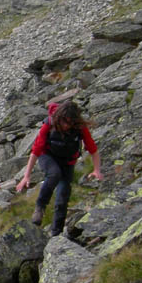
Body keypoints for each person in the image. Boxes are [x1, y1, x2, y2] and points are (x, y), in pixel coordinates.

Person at [16, 100, 103, 236]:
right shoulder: (49, 124)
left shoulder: (80, 128)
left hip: (68, 163)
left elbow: (93, 150)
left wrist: (96, 170)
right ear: (59, 118)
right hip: (48, 157)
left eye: (69, 123)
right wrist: (26, 176)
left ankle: (56, 234)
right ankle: (40, 207)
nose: (66, 126)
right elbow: (36, 151)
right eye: (64, 121)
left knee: (63, 196)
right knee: (54, 174)